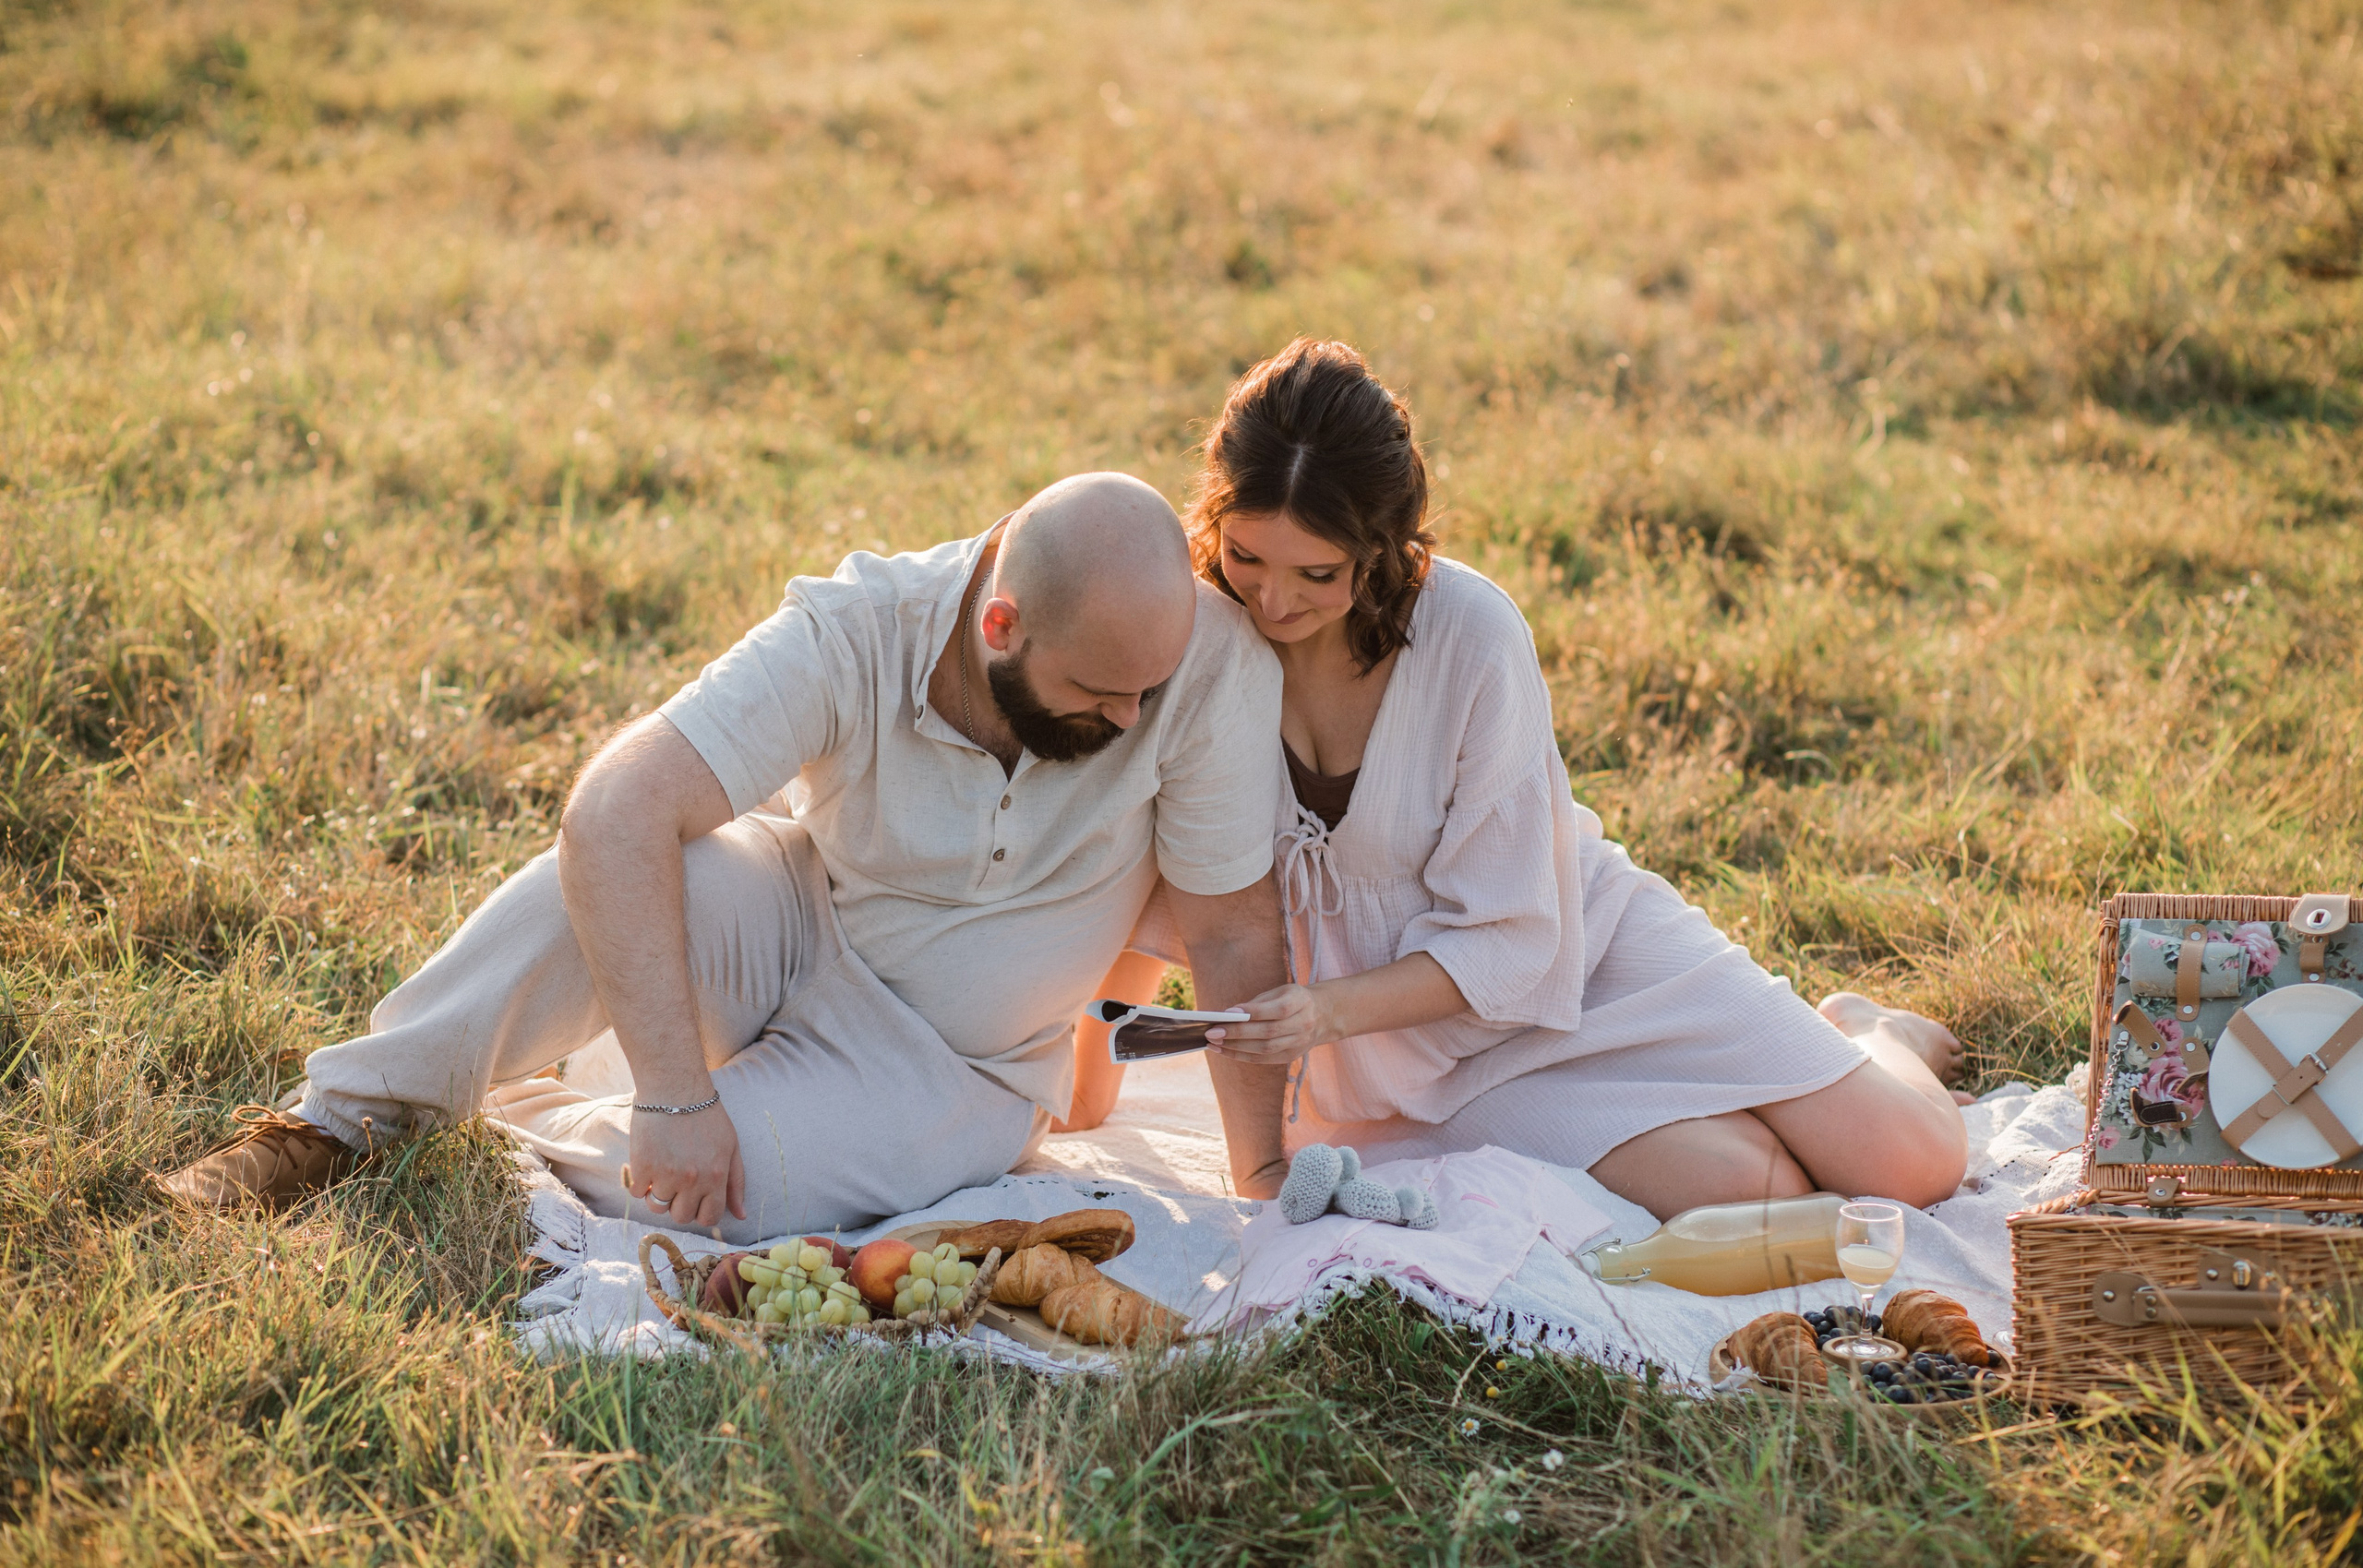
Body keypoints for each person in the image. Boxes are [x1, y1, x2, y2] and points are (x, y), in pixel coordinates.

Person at [160, 473, 1292, 1241]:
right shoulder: (860, 626)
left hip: (957, 1068)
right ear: (1001, 626)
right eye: (1098, 693)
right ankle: (333, 1124)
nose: (1131, 719)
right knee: (596, 883)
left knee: (730, 1196)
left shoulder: (1207, 670)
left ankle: (525, 1130)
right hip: (799, 914)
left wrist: (1261, 1178)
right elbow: (617, 809)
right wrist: (673, 1094)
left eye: (1147, 693)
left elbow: (1233, 930)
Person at [1102, 341, 1969, 1218]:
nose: (1274, 600)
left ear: (1380, 548)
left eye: (1316, 573)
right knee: (1755, 1187)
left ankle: (1872, 1029)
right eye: (1246, 556)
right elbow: (1150, 866)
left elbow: (1515, 937)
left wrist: (1324, 1009)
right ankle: (1742, 1098)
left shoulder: (1471, 636)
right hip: (1410, 1061)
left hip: (1580, 954)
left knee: (1913, 1163)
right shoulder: (1190, 639)